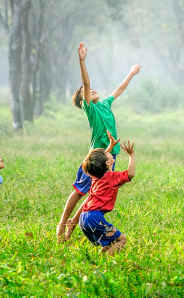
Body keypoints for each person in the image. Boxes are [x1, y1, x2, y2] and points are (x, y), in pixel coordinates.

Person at [56, 41, 141, 241]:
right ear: (82, 100)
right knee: (79, 192)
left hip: (110, 155)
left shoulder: (104, 104)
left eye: (91, 89)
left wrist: (131, 73)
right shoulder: (91, 109)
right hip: (96, 157)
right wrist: (81, 60)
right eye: (85, 92)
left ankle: (70, 231)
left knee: (94, 195)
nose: (91, 90)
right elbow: (86, 83)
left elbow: (119, 89)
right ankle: (62, 226)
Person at [79, 139, 135, 255]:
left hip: (84, 217)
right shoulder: (111, 178)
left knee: (110, 242)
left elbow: (100, 161)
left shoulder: (96, 176)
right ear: (107, 163)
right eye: (106, 153)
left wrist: (110, 146)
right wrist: (131, 155)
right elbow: (130, 173)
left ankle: (100, 259)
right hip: (94, 218)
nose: (108, 152)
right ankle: (106, 262)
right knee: (121, 240)